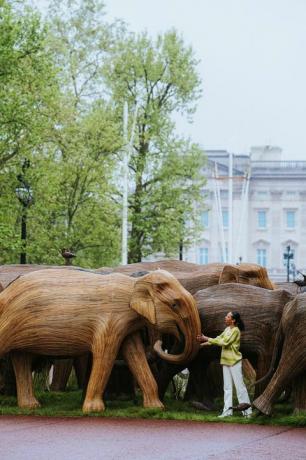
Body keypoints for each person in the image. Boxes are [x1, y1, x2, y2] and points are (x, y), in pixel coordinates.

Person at [196, 311, 252, 418]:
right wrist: (203, 343)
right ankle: (227, 412)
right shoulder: (227, 329)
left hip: (234, 362)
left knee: (240, 387)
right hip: (226, 361)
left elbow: (224, 342)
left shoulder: (236, 331)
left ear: (233, 320)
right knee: (227, 388)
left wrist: (207, 338)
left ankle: (247, 412)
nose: (225, 317)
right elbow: (218, 339)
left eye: (228, 316)